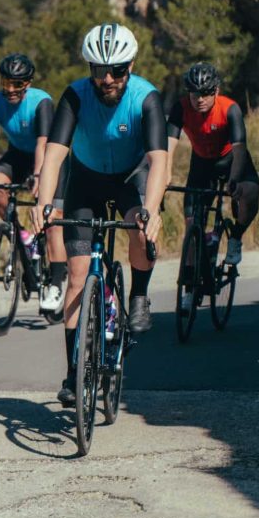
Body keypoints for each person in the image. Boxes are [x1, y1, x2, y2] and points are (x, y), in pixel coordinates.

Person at [33, 23, 167, 406]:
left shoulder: (146, 98)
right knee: (77, 276)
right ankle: (74, 374)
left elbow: (159, 159)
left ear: (131, 66)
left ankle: (139, 295)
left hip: (130, 177)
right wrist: (44, 204)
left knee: (141, 232)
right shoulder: (75, 96)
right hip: (87, 181)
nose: (107, 78)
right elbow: (55, 153)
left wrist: (151, 211)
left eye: (117, 70)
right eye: (98, 70)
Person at [0, 53, 68, 312]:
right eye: (6, 82)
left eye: (16, 84)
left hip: (50, 158)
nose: (9, 89)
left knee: (51, 218)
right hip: (17, 155)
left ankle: (56, 281)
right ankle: (24, 237)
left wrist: (41, 176)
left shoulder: (41, 102)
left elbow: (44, 142)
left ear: (27, 84)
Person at [167, 62, 259, 308]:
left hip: (231, 160)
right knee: (191, 228)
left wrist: (235, 179)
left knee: (247, 196)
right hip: (202, 165)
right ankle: (189, 288)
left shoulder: (230, 109)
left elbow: (240, 149)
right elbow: (168, 144)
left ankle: (236, 237)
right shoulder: (181, 107)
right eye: (194, 93)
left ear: (216, 91)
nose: (200, 99)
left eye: (206, 93)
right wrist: (164, 174)